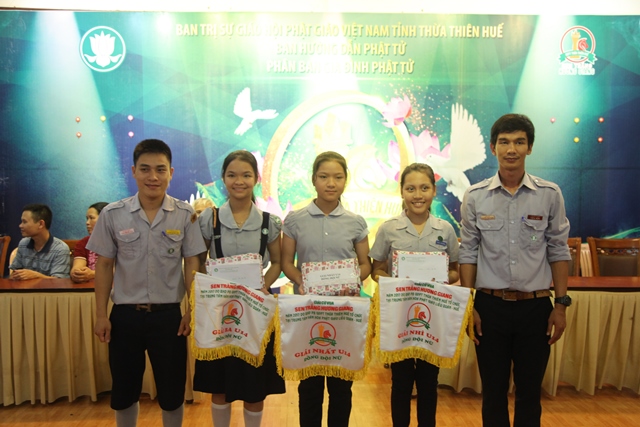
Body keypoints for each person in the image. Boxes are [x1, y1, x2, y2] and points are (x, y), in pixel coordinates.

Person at [459, 114, 571, 427]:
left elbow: (558, 249)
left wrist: (561, 305)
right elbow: (468, 251)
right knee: (493, 394)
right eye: (504, 142)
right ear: (493, 147)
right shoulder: (476, 196)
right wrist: (469, 305)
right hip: (489, 308)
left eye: (519, 142)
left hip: (535, 308)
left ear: (529, 148)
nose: (512, 149)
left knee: (530, 394)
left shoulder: (549, 194)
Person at [87, 139, 206, 427]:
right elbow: (104, 265)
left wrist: (192, 310)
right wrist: (101, 314)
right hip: (125, 316)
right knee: (124, 389)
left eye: (160, 169)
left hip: (169, 318)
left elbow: (193, 264)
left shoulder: (185, 215)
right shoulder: (112, 214)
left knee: (172, 389)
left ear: (171, 173)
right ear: (134, 171)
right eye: (145, 169)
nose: (153, 176)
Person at [193, 150, 285, 427]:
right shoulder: (208, 219)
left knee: (254, 385)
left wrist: (262, 287)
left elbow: (278, 262)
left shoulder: (270, 222)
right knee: (219, 384)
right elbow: (197, 261)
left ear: (256, 179)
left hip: (256, 312)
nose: (239, 181)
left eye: (246, 175)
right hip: (218, 314)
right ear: (223, 178)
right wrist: (205, 290)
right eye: (232, 175)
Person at [281, 151, 372, 427]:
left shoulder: (356, 222)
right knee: (309, 386)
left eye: (338, 177)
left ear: (345, 180)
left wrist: (350, 282)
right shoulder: (295, 220)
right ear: (313, 179)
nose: (331, 183)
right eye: (324, 177)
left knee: (341, 387)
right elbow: (286, 263)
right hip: (308, 311)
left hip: (343, 312)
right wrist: (303, 281)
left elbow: (365, 264)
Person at [370, 163, 459, 427]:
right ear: (401, 192)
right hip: (400, 318)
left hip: (433, 318)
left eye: (424, 188)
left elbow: (455, 271)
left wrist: (440, 277)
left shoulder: (445, 229)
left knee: (429, 382)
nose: (417, 195)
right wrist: (396, 281)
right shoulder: (388, 229)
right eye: (411, 189)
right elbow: (376, 270)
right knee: (401, 381)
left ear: (434, 191)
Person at [9, 204, 70, 279]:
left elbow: (59, 281)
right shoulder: (23, 244)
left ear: (41, 224)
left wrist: (36, 276)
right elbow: (13, 274)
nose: (20, 225)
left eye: (24, 222)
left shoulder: (60, 249)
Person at [70, 202, 108, 283]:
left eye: (91, 218)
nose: (87, 222)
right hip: (88, 287)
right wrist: (77, 273)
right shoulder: (83, 243)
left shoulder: (120, 242)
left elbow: (122, 271)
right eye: (87, 218)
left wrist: (93, 274)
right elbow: (77, 267)